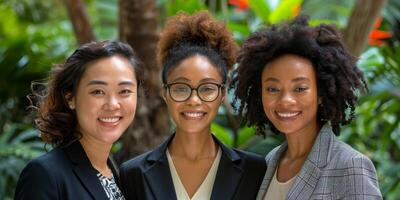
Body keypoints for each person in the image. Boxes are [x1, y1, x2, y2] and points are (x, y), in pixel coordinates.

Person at [119, 11, 267, 200]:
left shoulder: (253, 170)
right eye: (181, 88)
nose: (194, 100)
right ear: (165, 93)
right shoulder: (133, 174)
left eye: (206, 88)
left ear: (222, 94)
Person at [231, 16, 382, 199]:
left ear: (321, 93)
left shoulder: (350, 166)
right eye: (272, 89)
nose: (285, 100)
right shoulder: (271, 160)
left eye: (300, 88)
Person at [15, 40, 143, 200]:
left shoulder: (119, 176)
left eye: (124, 91)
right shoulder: (45, 175)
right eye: (98, 91)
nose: (112, 104)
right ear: (71, 98)